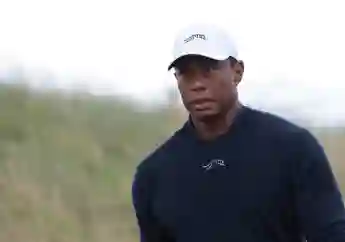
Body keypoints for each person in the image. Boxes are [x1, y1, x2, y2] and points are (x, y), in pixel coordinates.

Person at [131, 23, 345, 242]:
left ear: (237, 71)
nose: (197, 84)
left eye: (208, 70)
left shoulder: (293, 149)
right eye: (186, 73)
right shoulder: (154, 175)